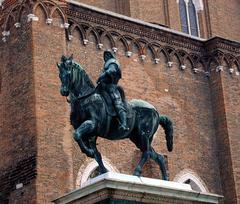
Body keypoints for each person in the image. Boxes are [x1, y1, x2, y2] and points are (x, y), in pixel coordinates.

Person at [97, 50, 129, 131]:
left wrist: (103, 75)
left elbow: (112, 70)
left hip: (111, 87)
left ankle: (124, 123)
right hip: (102, 87)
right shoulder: (106, 65)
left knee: (117, 103)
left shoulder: (112, 62)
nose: (106, 56)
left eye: (107, 54)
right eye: (105, 55)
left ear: (111, 55)